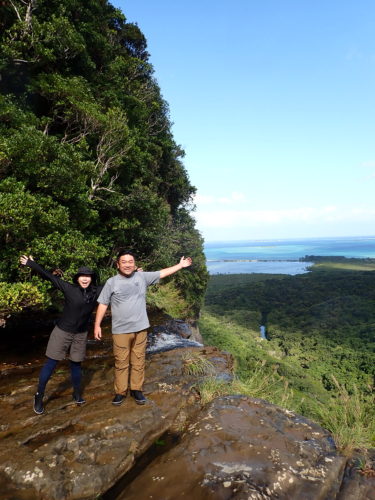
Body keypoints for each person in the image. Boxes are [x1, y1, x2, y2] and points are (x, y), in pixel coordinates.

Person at [94, 249, 192, 406]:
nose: (127, 264)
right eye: (124, 262)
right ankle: (120, 392)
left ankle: (136, 389)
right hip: (120, 330)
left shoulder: (142, 277)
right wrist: (97, 325)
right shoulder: (111, 282)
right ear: (118, 265)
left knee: (139, 361)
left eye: (130, 262)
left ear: (135, 264)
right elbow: (103, 303)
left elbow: (162, 273)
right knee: (121, 362)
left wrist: (180, 265)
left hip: (141, 328)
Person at [19, 255, 103, 415]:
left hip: (81, 334)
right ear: (78, 278)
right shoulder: (69, 288)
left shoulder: (96, 291)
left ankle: (77, 394)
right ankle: (39, 396)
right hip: (62, 332)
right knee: (51, 363)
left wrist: (135, 274)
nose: (85, 279)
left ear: (91, 278)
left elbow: (116, 283)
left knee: (76, 364)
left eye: (88, 276)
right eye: (82, 276)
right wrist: (31, 264)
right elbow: (48, 276)